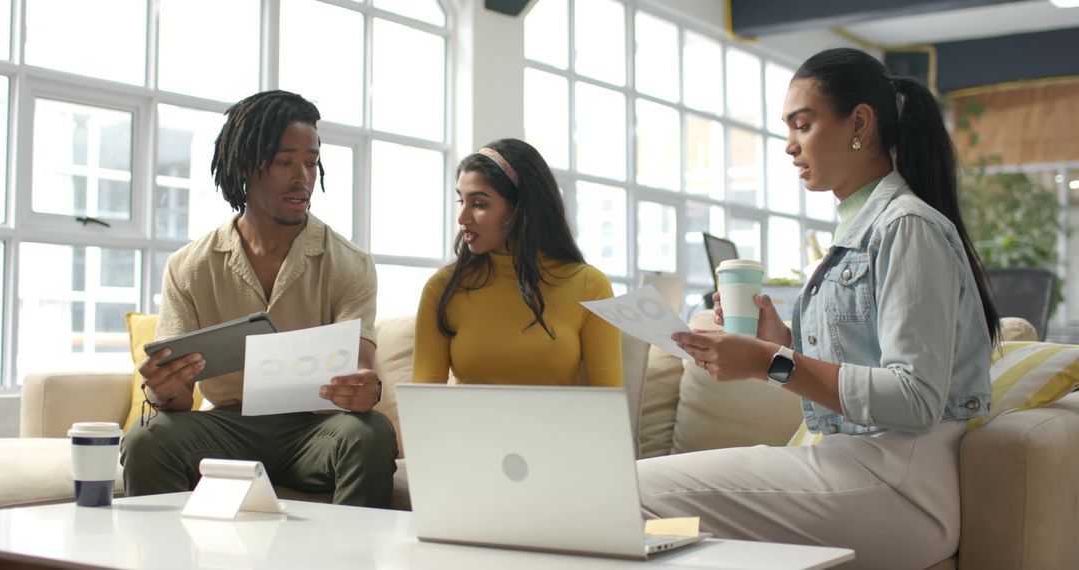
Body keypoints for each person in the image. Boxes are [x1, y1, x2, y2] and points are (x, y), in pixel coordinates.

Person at [637, 48, 1000, 569]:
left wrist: (769, 363)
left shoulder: (906, 227)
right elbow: (861, 364)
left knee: (630, 491)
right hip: (854, 465)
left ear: (859, 123)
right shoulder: (861, 228)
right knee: (659, 524)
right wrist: (779, 342)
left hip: (901, 486)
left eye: (802, 125)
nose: (789, 146)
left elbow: (916, 397)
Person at [121, 90, 398, 507]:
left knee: (370, 432)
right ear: (246, 166)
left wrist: (363, 389)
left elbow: (362, 367)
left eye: (311, 161)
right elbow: (176, 401)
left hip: (315, 430)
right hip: (229, 426)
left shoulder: (351, 263)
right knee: (147, 438)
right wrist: (164, 389)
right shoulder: (189, 266)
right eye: (286, 162)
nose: (302, 177)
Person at [413, 138, 623, 386]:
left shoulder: (590, 286)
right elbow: (425, 402)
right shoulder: (442, 288)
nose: (462, 217)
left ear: (522, 208)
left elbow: (607, 401)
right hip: (468, 425)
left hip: (557, 426)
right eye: (462, 200)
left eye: (479, 204)